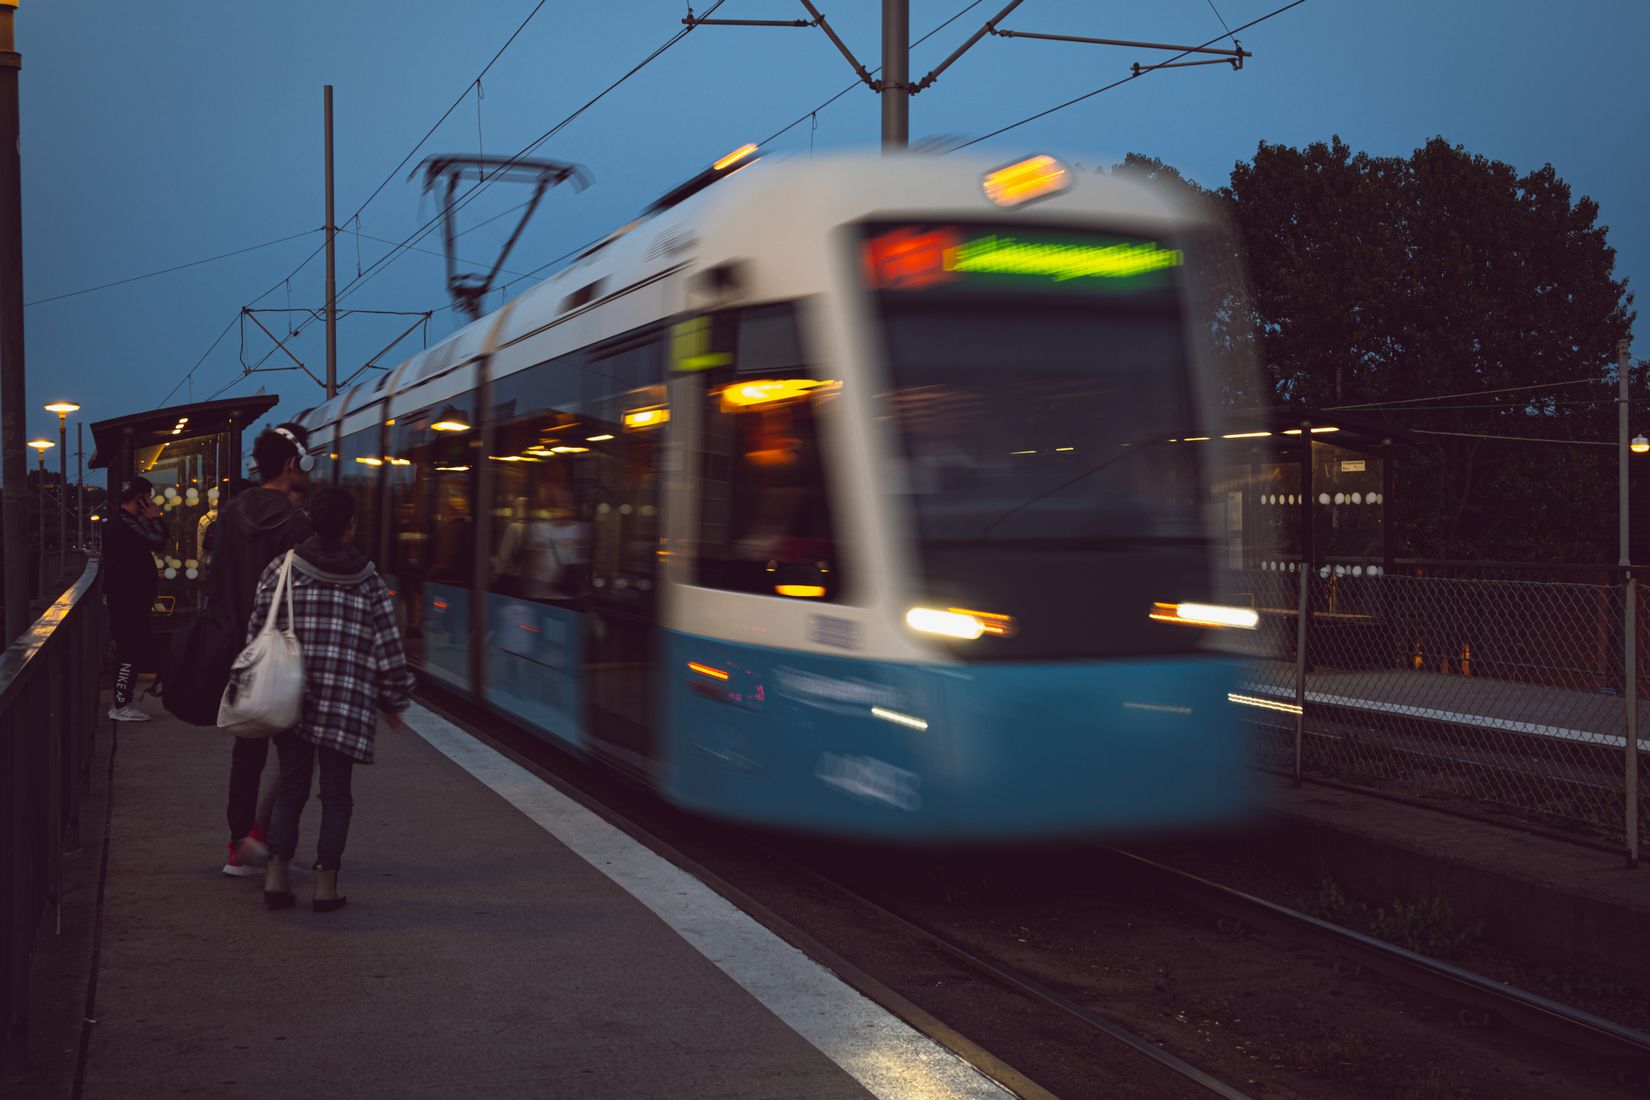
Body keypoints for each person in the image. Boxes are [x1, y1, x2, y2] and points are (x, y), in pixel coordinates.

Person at [256, 487, 414, 913]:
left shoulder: (282, 568)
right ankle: (326, 886)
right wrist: (393, 699)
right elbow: (388, 647)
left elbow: (258, 628)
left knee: (291, 789)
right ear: (351, 524)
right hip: (345, 704)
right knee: (336, 796)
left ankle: (276, 875)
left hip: (290, 699)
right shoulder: (368, 579)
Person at [209, 424, 315, 877]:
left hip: (238, 648)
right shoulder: (298, 524)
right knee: (294, 755)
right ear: (293, 464)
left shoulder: (231, 514)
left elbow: (215, 583)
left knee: (247, 750)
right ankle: (265, 837)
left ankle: (238, 845)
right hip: (285, 653)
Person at [103, 476, 166, 721]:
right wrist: (156, 519)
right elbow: (157, 542)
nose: (150, 502)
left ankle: (122, 703)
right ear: (139, 498)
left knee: (131, 649)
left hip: (126, 598)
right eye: (147, 497)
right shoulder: (125, 524)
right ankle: (120, 705)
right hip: (128, 600)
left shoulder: (120, 521)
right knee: (129, 650)